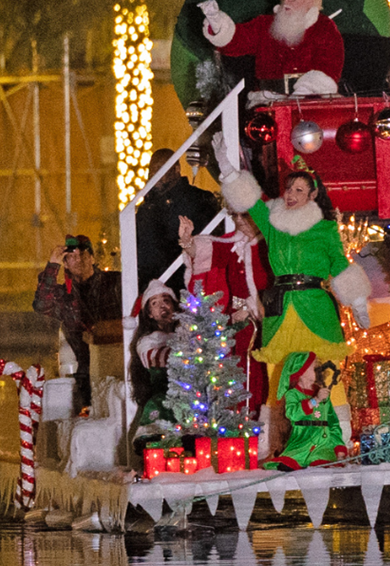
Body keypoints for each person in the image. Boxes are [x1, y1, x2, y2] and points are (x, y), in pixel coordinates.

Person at [221, 164, 371, 364]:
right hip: (280, 308)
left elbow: (339, 263)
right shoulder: (272, 221)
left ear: (313, 194)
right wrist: (230, 172)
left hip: (316, 308)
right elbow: (251, 201)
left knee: (320, 376)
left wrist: (358, 302)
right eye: (289, 189)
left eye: (299, 190)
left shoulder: (325, 229)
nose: (290, 194)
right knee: (281, 377)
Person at [179, 213, 272, 417]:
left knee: (259, 372)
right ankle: (237, 422)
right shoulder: (234, 243)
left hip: (264, 320)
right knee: (235, 372)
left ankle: (260, 424)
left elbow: (273, 284)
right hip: (236, 323)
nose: (239, 220)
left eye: (245, 215)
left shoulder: (271, 243)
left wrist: (250, 308)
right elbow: (205, 252)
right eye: (235, 215)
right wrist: (187, 239)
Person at [200, 0, 344, 97]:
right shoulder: (266, 24)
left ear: (310, 0)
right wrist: (216, 21)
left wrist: (304, 93)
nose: (286, 1)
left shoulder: (325, 28)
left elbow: (329, 67)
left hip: (311, 103)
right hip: (267, 103)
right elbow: (237, 39)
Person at [33, 234, 122, 410]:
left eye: (84, 255)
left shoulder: (115, 282)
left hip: (120, 362)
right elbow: (41, 305)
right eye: (72, 257)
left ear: (92, 258)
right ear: (65, 264)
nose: (79, 260)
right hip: (86, 373)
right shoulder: (63, 296)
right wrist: (52, 265)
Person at [136, 149, 221, 293]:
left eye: (159, 169)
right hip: (154, 293)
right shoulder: (146, 209)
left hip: (190, 289)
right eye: (151, 170)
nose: (154, 174)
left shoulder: (199, 200)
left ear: (176, 169)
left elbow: (213, 244)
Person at [263, 351, 348, 470]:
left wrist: (339, 448)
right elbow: (292, 414)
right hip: (300, 442)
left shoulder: (322, 394)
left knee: (323, 464)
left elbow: (333, 423)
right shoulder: (292, 394)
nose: (319, 369)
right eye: (314, 367)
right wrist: (315, 400)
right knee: (288, 462)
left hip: (323, 444)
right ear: (301, 372)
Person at [129, 279, 178, 435]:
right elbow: (155, 359)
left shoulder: (185, 332)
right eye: (155, 303)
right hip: (163, 401)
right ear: (149, 313)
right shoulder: (146, 341)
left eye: (166, 300)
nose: (163, 306)